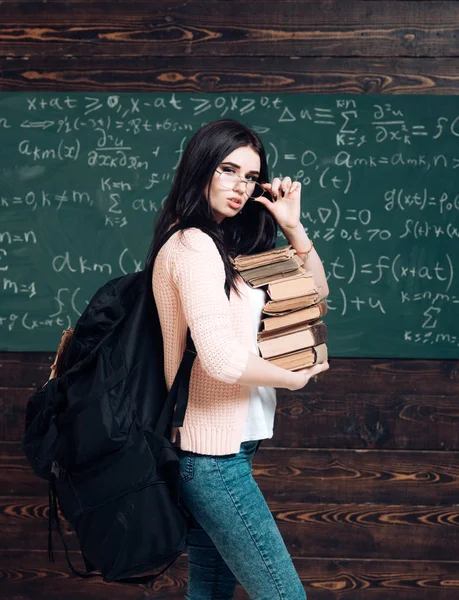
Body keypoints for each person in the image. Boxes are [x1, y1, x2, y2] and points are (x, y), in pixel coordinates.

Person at [147, 119, 329, 600]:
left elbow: (315, 293)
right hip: (210, 459)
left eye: (250, 177)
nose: (241, 187)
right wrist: (294, 380)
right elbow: (222, 361)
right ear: (202, 168)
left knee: (207, 593)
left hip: (231, 451)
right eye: (228, 170)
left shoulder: (228, 246)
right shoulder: (192, 245)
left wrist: (292, 225)